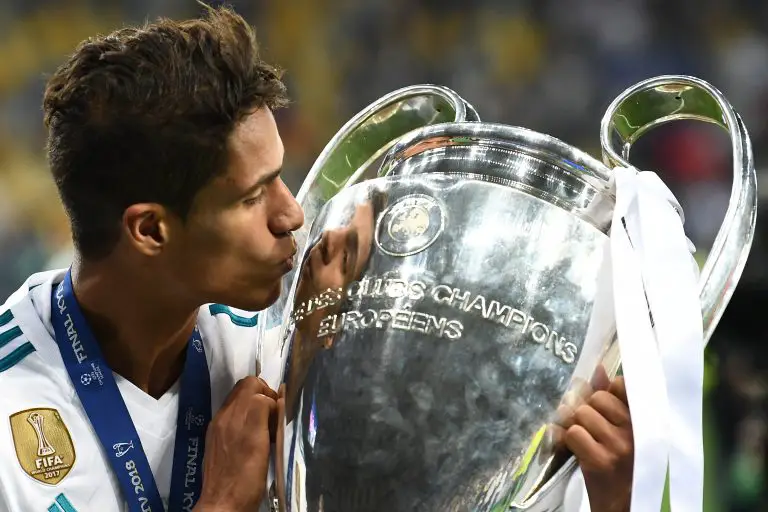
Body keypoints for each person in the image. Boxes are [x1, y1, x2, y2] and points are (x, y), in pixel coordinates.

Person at [0, 6, 632, 512]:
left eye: (282, 178)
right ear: (150, 231)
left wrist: (608, 501)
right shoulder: (10, 414)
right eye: (253, 197)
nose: (292, 214)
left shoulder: (287, 348)